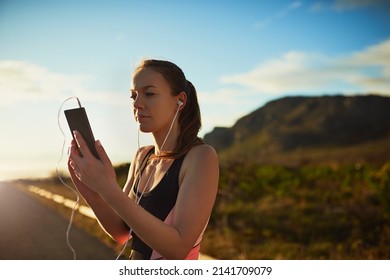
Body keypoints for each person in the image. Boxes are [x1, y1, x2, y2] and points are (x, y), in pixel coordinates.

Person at [67, 59, 219, 260]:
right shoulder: (142, 157)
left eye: (149, 93)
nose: (137, 104)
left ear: (179, 101)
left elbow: (179, 248)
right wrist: (91, 192)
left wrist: (107, 187)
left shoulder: (201, 157)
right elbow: (121, 233)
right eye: (133, 95)